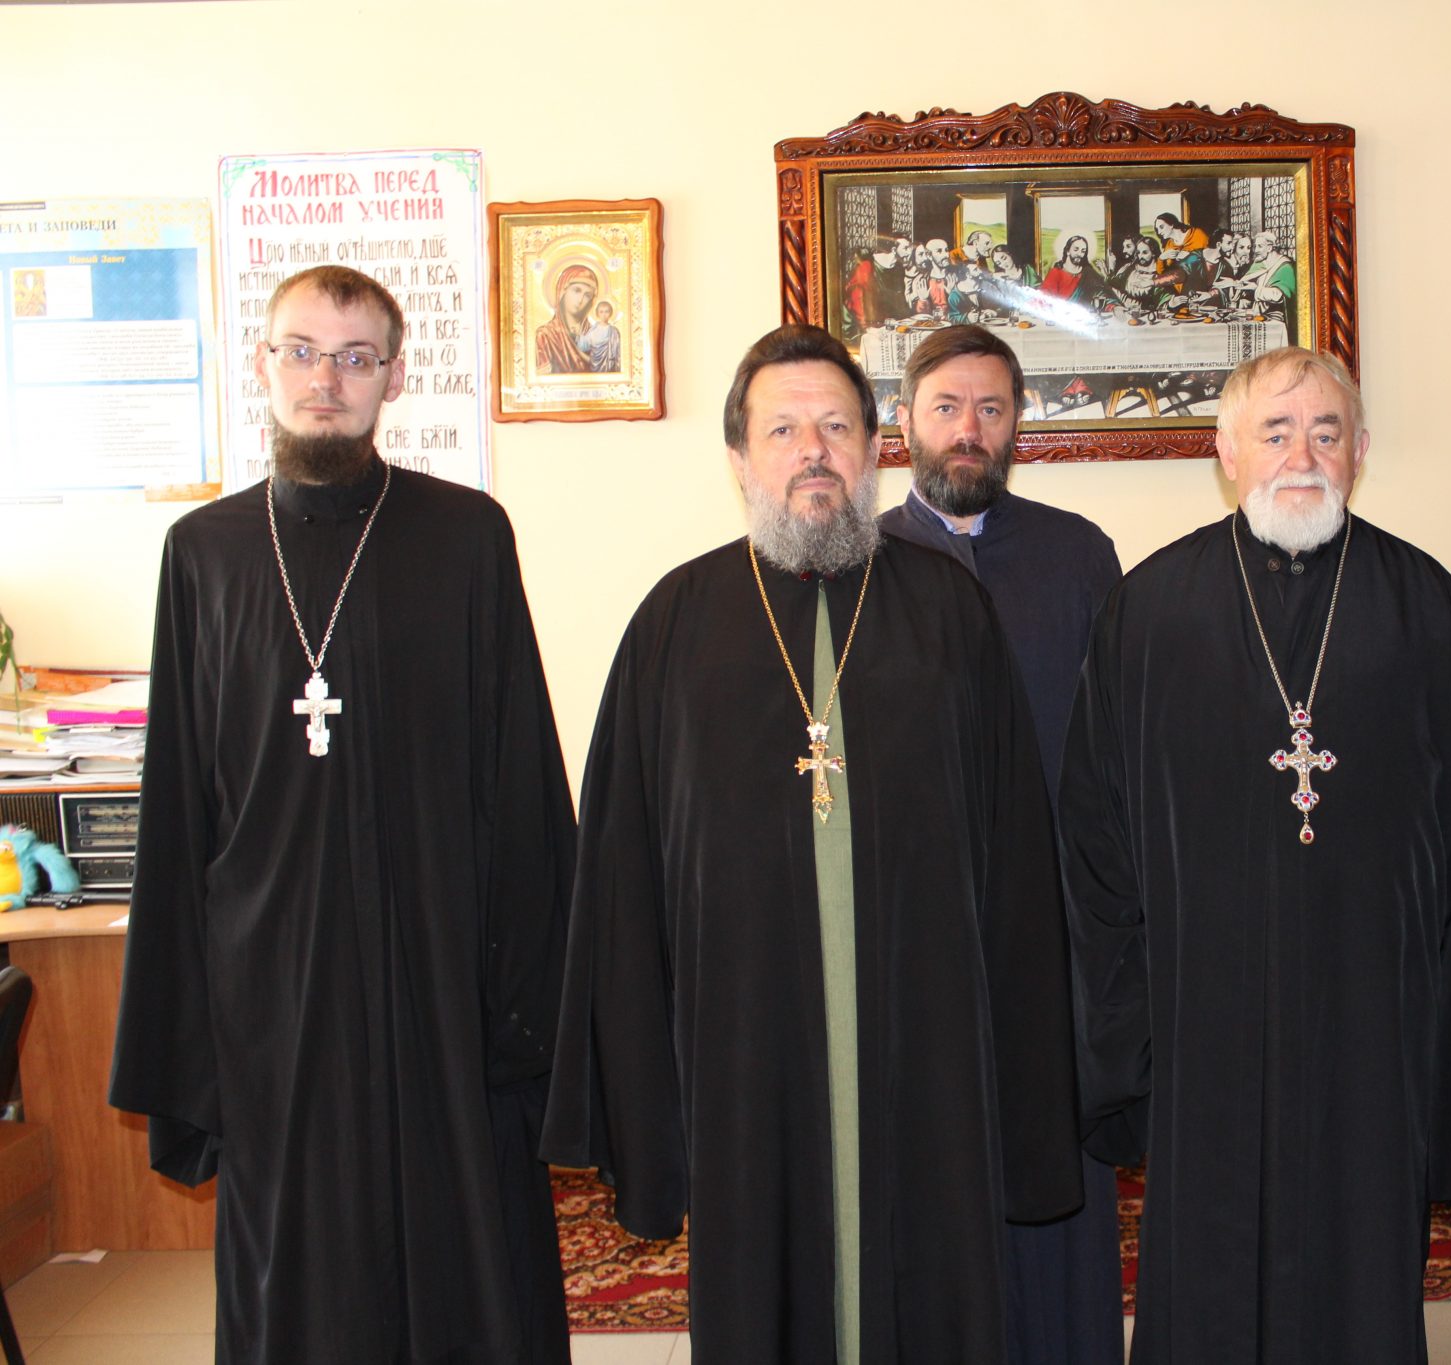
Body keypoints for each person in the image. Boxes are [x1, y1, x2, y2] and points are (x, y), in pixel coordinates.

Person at [543, 323, 1083, 1363]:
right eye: (783, 430)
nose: (813, 452)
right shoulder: (675, 623)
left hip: (923, 1034)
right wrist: (641, 1099)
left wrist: (1029, 1079)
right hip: (745, 1043)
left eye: (836, 427)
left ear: (874, 447)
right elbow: (622, 879)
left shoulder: (948, 610)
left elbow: (1013, 856)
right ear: (739, 457)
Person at [110, 264, 577, 1363]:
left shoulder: (466, 536)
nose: (327, 379)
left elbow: (518, 773)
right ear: (262, 364)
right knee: (299, 1266)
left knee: (466, 1248)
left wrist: (532, 1008)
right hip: (274, 986)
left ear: (394, 377)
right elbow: (179, 804)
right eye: (303, 352)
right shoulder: (205, 553)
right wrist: (189, 1024)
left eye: (356, 357)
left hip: (438, 968)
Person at [1060, 346, 1451, 1362]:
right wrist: (1125, 1035)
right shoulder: (1150, 608)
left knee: (1359, 1260)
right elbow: (1094, 839)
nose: (1301, 455)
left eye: (1325, 433)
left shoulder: (1424, 604)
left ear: (1359, 451)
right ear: (1226, 452)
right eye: (1275, 432)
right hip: (1202, 1019)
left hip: (1373, 1015)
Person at [877, 323, 1123, 1365]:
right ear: (904, 423)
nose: (968, 430)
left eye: (990, 408)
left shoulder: (1078, 555)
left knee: (1051, 1147)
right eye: (946, 407)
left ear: (1020, 422)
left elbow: (1118, 743)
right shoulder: (865, 563)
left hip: (1055, 924)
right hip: (917, 926)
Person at [535, 261, 598, 373]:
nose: (580, 300)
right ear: (562, 291)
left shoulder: (596, 335)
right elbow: (541, 380)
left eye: (587, 295)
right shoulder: (545, 336)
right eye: (577, 290)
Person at [1041, 234, 1110, 310]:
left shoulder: (1088, 273)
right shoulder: (1055, 273)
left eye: (1083, 251)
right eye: (1076, 249)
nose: (1079, 254)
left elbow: (1104, 293)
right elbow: (1045, 299)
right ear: (1068, 251)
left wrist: (1113, 307)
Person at [578, 298, 621, 372]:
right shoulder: (593, 331)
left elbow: (618, 353)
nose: (604, 315)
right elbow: (583, 346)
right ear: (597, 314)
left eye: (606, 311)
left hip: (610, 367)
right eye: (601, 312)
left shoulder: (614, 332)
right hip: (594, 365)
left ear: (610, 313)